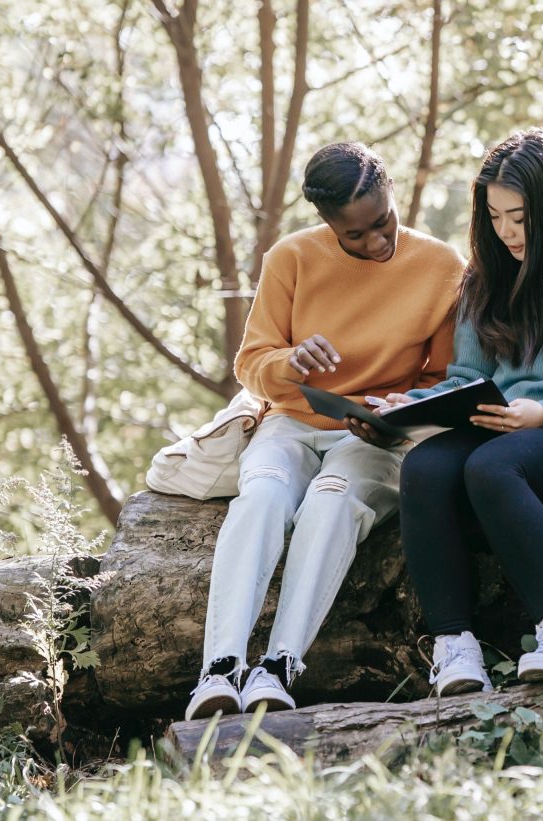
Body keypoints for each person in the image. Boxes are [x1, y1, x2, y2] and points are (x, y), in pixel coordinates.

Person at [350, 128, 543, 695]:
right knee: (423, 468)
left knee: (490, 467)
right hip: (499, 433)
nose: (507, 232)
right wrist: (407, 407)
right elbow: (469, 381)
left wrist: (541, 415)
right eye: (494, 218)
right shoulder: (485, 280)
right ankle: (455, 649)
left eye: (519, 217)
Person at [184, 142, 465, 720]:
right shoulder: (290, 258)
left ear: (391, 194)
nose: (375, 242)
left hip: (374, 438)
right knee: (260, 495)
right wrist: (288, 363)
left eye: (382, 223)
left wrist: (400, 410)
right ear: (326, 222)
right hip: (291, 422)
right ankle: (219, 670)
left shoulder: (442, 268)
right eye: (355, 235)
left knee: (330, 502)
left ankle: (279, 666)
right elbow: (250, 363)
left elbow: (446, 379)